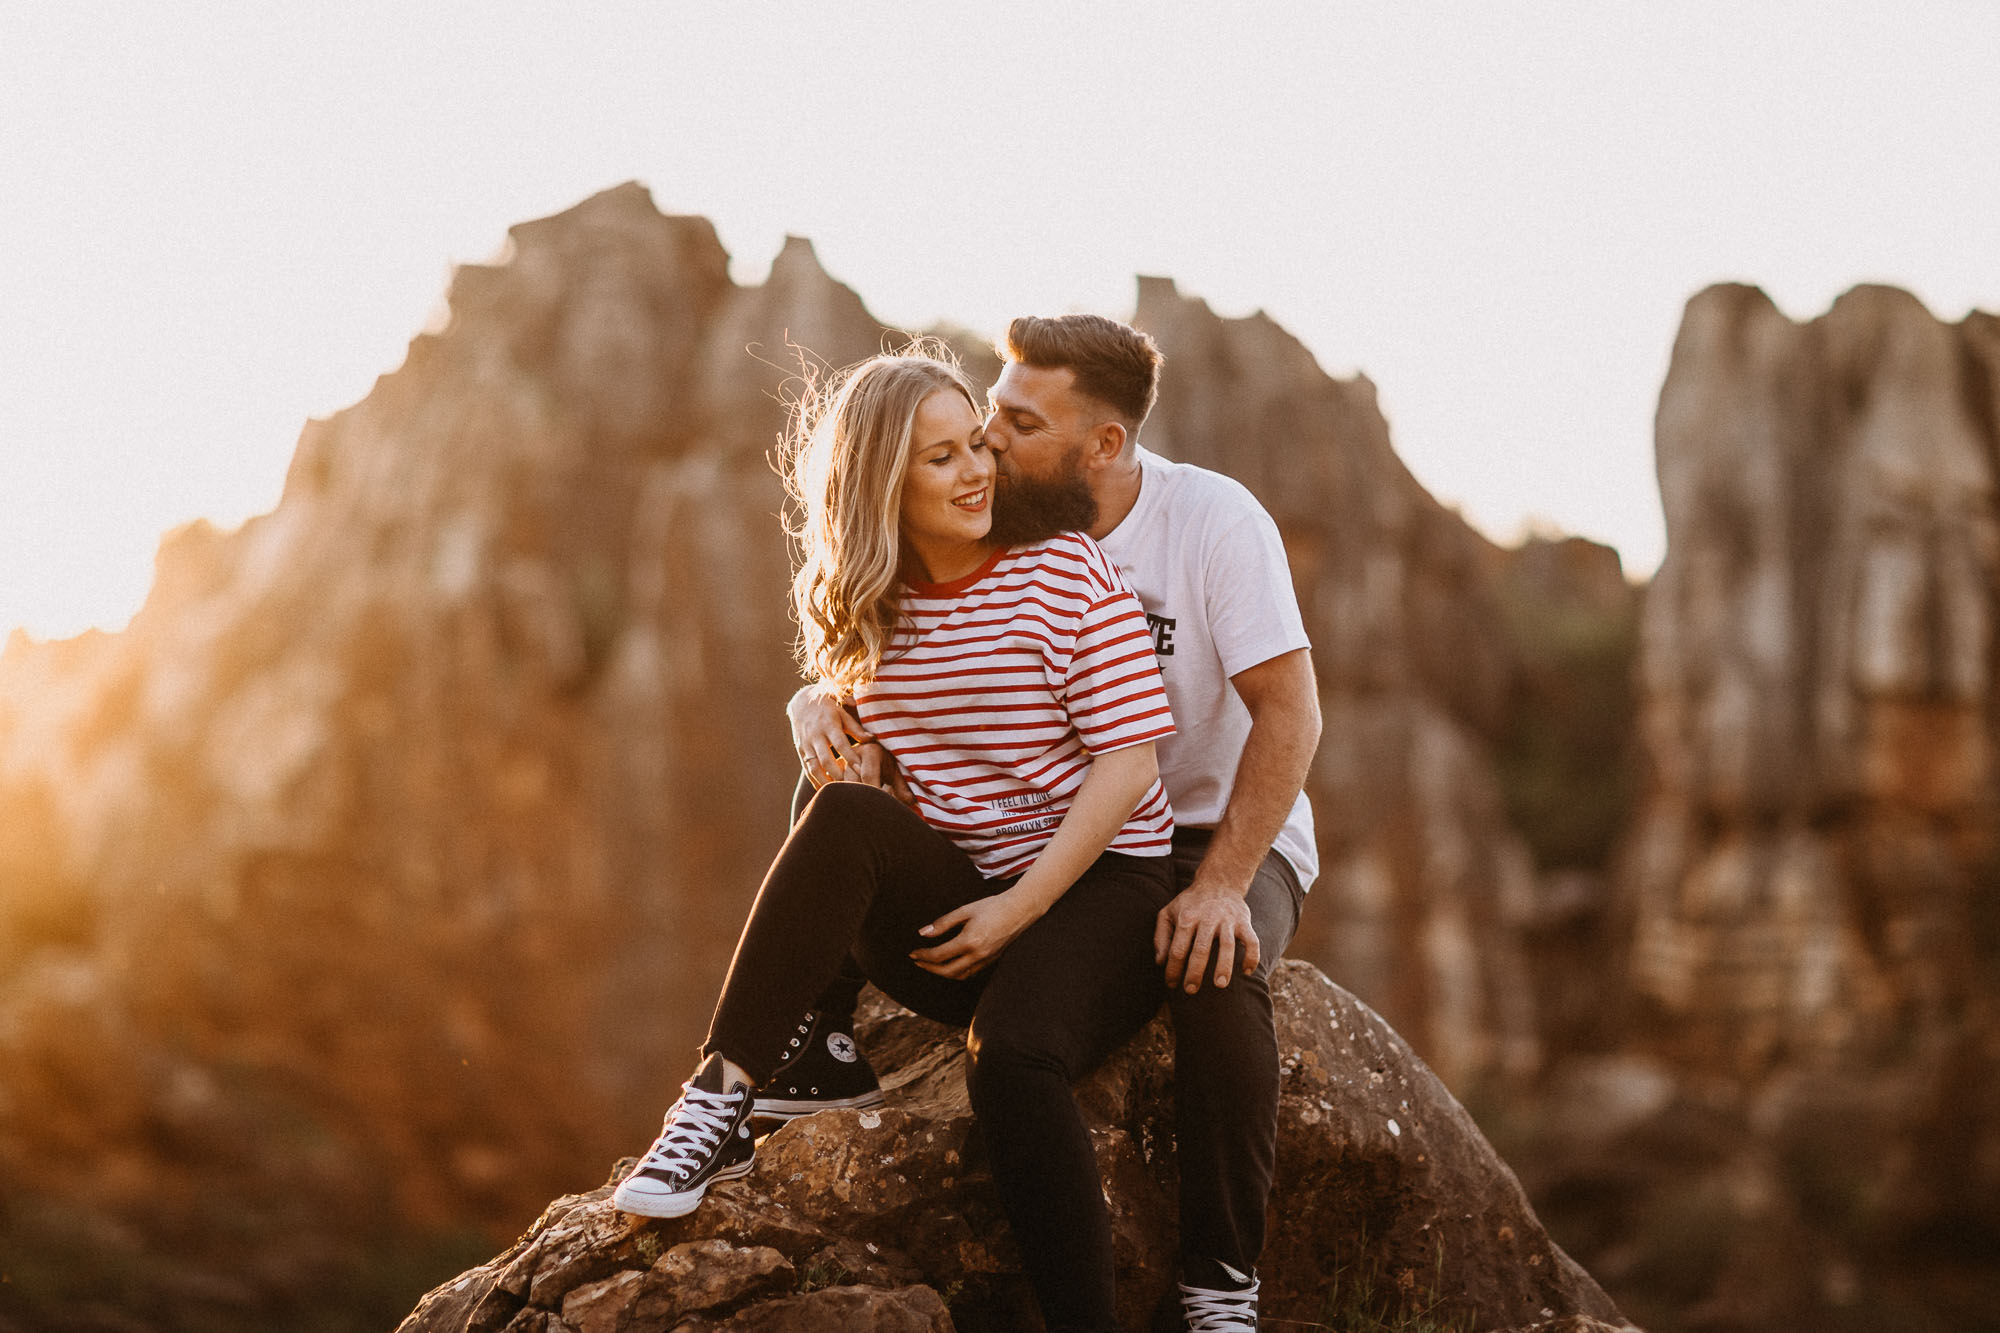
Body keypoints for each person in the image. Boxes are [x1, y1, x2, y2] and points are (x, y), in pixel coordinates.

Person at [611, 344, 1181, 1333]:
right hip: (962, 911)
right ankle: (724, 1093)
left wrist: (1020, 906)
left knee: (1008, 1059)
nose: (974, 473)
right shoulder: (869, 598)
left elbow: (1129, 763)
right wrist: (811, 702)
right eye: (939, 458)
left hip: (1099, 896)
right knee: (840, 806)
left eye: (976, 446)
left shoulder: (1060, 565)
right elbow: (860, 739)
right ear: (880, 481)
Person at [789, 315, 1321, 1333]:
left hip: (1211, 832)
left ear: (1105, 444)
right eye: (990, 409)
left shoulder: (1211, 521)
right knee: (837, 795)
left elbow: (1291, 712)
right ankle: (809, 1042)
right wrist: (820, 697)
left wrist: (1218, 885)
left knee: (1212, 965)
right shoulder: (1012, 512)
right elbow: (902, 634)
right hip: (1066, 830)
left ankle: (1218, 1286)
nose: (987, 439)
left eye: (1019, 421)